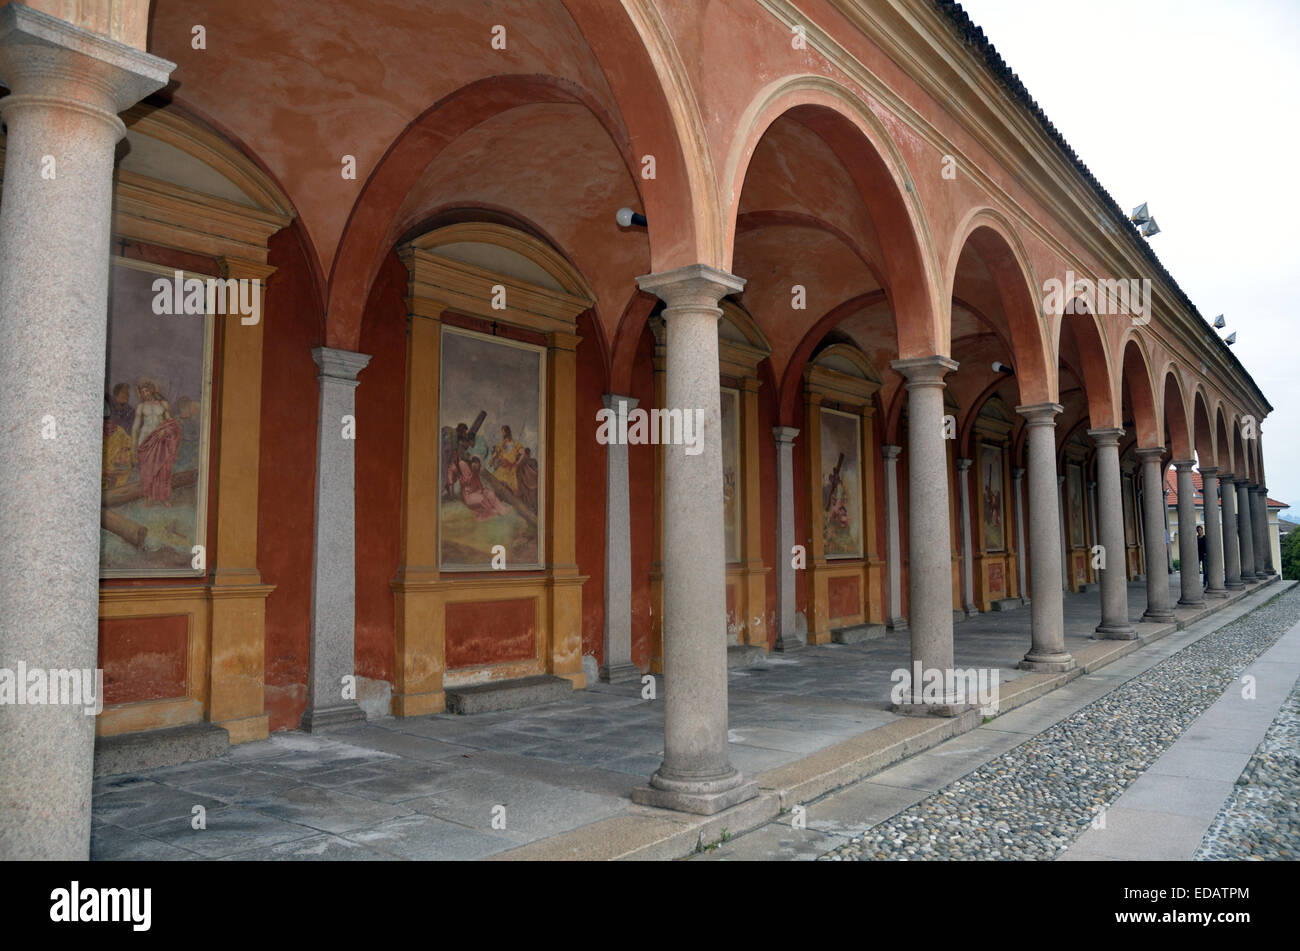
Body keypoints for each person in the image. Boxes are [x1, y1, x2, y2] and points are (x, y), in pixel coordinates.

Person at [132, 378, 182, 506]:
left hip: (161, 440)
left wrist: (165, 432)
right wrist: (134, 446)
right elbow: (136, 427)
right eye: (142, 392)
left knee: (163, 469)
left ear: (152, 390)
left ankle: (164, 497)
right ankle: (149, 497)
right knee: (147, 470)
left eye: (147, 390)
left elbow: (171, 423)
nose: (145, 394)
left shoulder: (163, 404)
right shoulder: (141, 407)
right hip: (145, 441)